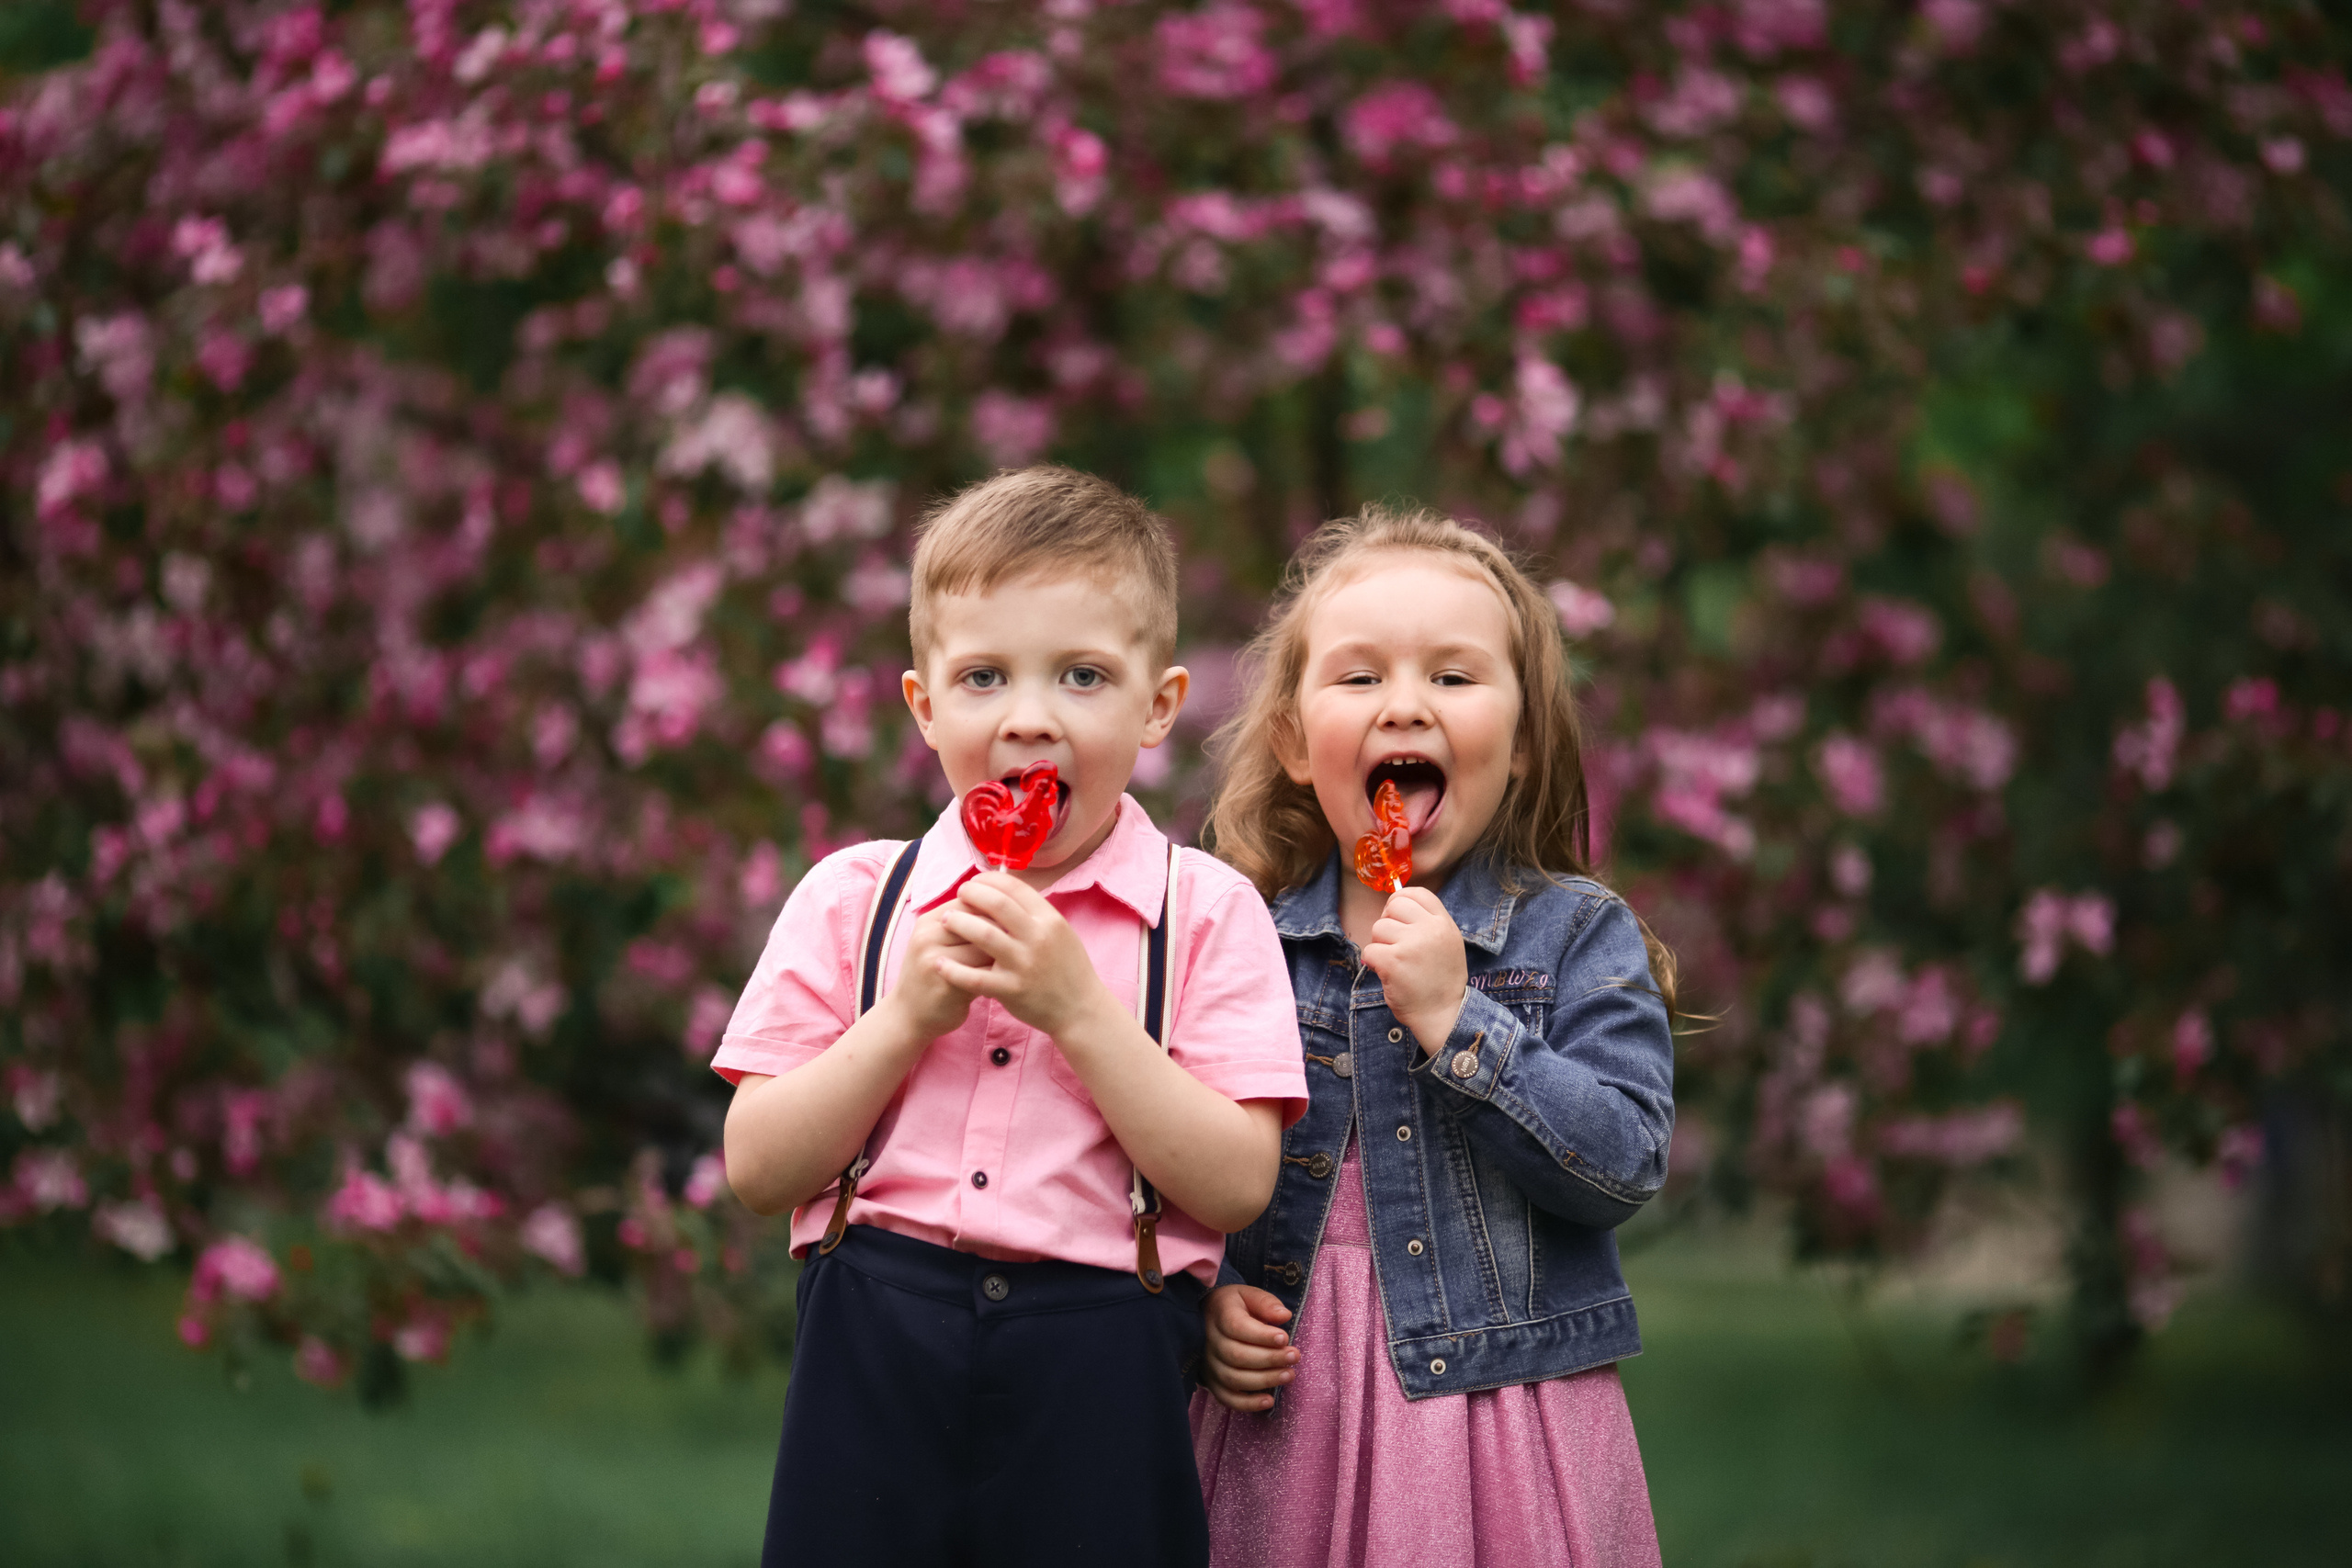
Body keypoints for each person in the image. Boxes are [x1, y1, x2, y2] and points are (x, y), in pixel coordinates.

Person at [716, 466, 1308, 1568]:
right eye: (984, 677)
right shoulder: (854, 899)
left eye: (1082, 676)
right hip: (872, 1341)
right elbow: (757, 1168)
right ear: (924, 706)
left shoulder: (1207, 912)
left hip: (1101, 1355)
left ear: (1157, 708)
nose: (1029, 718)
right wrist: (902, 1020)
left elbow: (1234, 1183)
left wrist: (1080, 1012)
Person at [1190, 505, 1677, 1568]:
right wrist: (1206, 1298)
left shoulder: (1578, 932)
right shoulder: (1237, 945)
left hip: (1500, 1417)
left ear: (1521, 742)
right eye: (1359, 678)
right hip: (1288, 1416)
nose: (1404, 703)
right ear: (1289, 737)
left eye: (1453, 678)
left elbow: (1623, 1165)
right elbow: (1177, 1166)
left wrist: (1465, 1023)